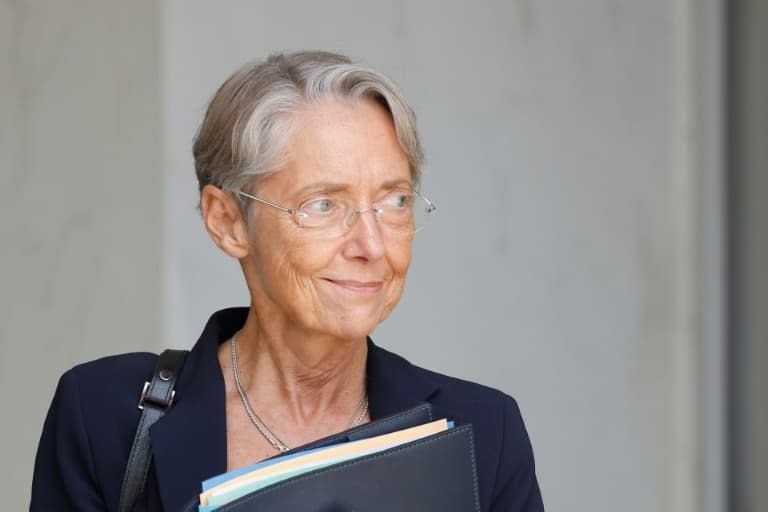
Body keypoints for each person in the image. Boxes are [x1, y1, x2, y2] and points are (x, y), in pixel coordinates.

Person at [31, 51, 544, 511]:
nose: (372, 245)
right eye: (324, 205)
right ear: (227, 221)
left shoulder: (481, 431)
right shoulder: (104, 416)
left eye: (395, 201)